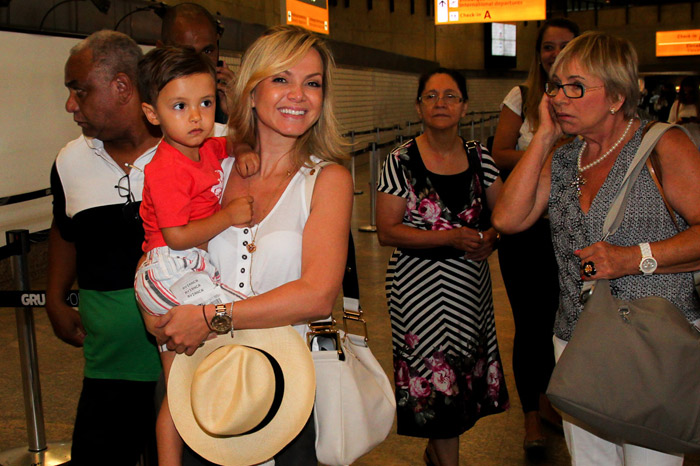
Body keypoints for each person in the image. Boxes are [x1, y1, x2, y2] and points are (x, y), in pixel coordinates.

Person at [143, 24, 353, 464]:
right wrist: (159, 317)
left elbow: (317, 294)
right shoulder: (213, 168)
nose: (298, 94)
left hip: (282, 390)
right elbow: (163, 254)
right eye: (282, 79)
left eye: (312, 83)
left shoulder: (326, 180)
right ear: (251, 91)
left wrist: (209, 316)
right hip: (207, 385)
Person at [492, 31, 700, 465]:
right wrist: (545, 138)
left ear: (617, 96)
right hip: (577, 337)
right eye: (555, 86)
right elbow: (507, 220)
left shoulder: (664, 145)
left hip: (654, 340)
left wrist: (633, 257)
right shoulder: (566, 157)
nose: (560, 98)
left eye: (576, 87)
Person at [376, 68, 509, 466]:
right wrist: (448, 238)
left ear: (464, 106)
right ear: (419, 105)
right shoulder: (400, 161)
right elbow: (387, 231)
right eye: (431, 96)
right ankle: (446, 460)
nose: (440, 103)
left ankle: (437, 451)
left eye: (450, 96)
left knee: (461, 377)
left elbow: (504, 215)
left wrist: (492, 238)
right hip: (417, 289)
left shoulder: (479, 157)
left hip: (469, 289)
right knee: (434, 377)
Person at [133, 46, 257, 465]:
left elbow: (236, 140)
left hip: (183, 268)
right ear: (153, 114)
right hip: (171, 267)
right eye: (180, 106)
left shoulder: (203, 148)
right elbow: (178, 235)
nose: (196, 117)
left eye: (205, 103)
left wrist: (245, 150)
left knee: (180, 385)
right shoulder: (165, 167)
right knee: (244, 321)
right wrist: (229, 216)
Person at [46, 30, 162, 466]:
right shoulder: (69, 161)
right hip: (109, 366)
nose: (70, 105)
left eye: (79, 89)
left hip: (193, 359)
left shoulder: (201, 147)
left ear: (122, 86)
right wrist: (55, 297)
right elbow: (65, 227)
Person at [490, 18, 577, 453]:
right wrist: (546, 147)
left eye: (564, 45)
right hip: (526, 231)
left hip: (573, 228)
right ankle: (530, 417)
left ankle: (552, 402)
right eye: (547, 47)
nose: (554, 53)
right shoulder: (522, 97)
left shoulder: (588, 98)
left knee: (566, 320)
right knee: (530, 324)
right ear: (537, 53)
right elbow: (499, 152)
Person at [158, 2, 234, 123]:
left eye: (208, 51)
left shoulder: (226, 96)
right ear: (161, 50)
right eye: (187, 52)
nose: (200, 62)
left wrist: (237, 113)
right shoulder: (146, 100)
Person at [667, 76, 700, 147]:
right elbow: (669, 124)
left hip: (697, 142)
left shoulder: (698, 105)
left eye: (691, 93)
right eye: (685, 93)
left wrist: (696, 120)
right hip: (681, 141)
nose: (688, 96)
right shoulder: (677, 105)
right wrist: (679, 122)